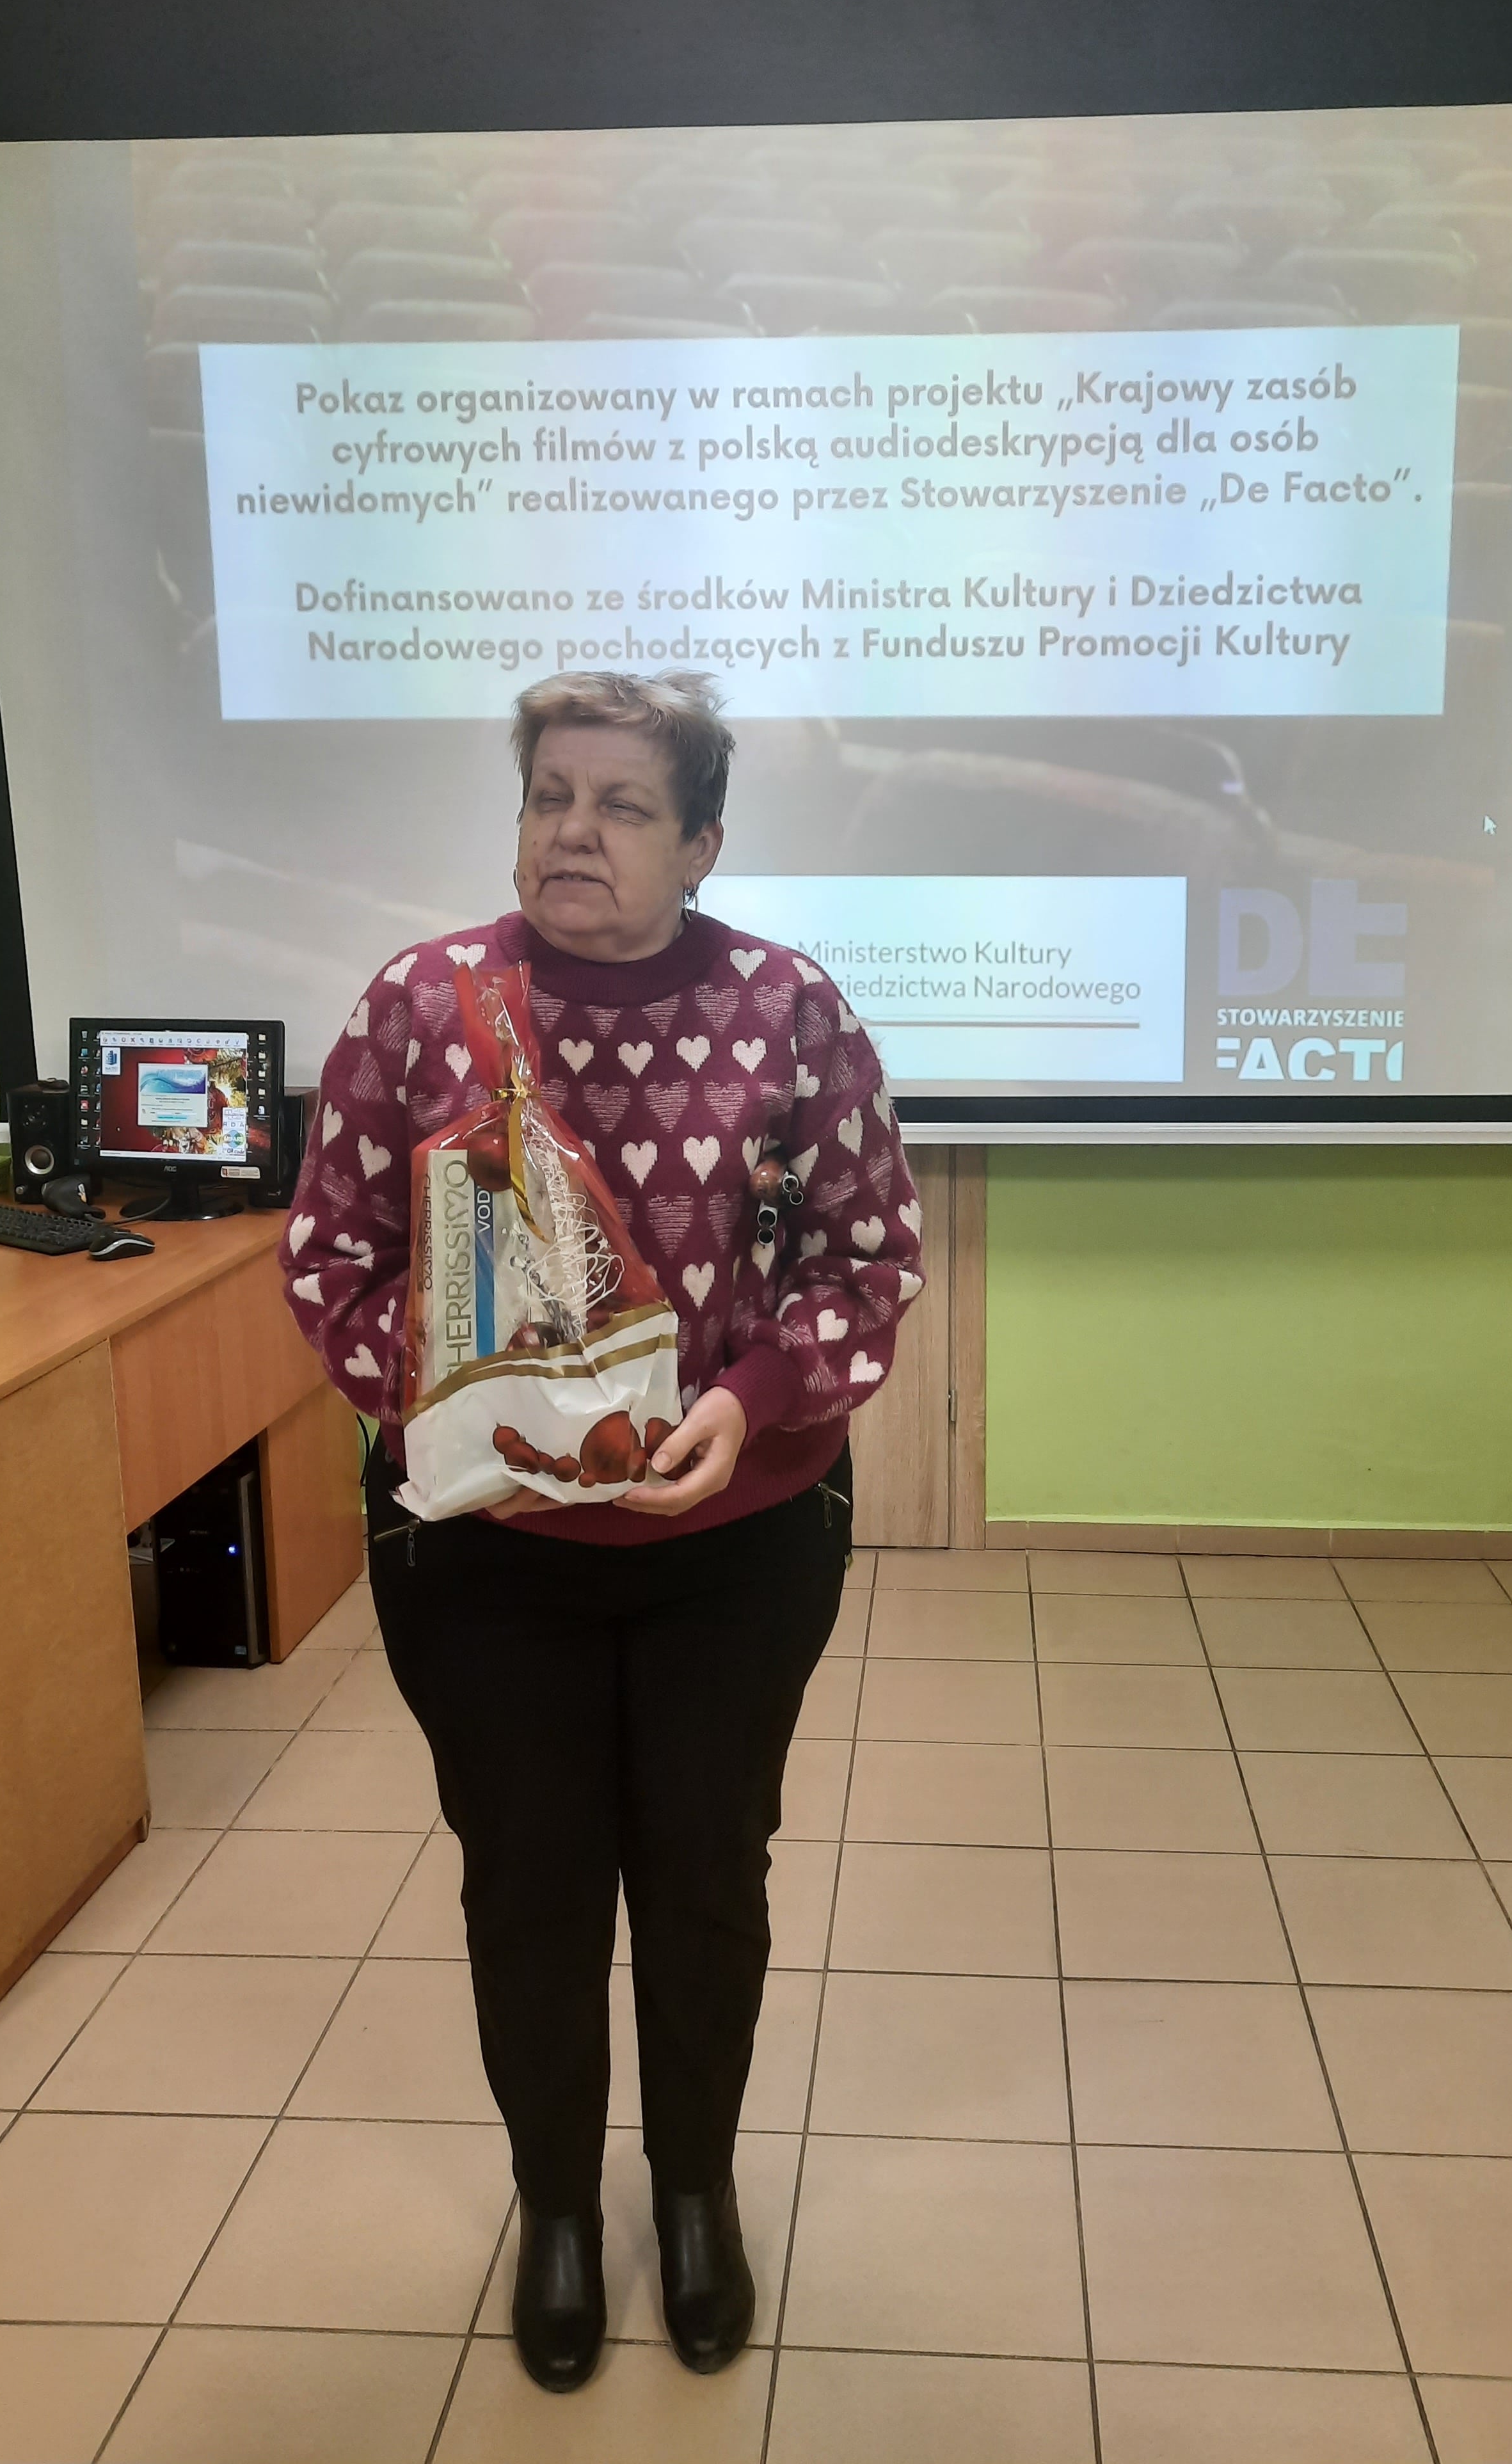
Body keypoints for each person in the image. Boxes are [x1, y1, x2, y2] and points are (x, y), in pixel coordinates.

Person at [280, 671, 923, 2392]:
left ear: (703, 841)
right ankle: (557, 2207)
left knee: (706, 1877)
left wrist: (754, 1400)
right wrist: (457, 1417)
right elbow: (331, 1258)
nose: (575, 830)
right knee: (531, 1884)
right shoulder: (421, 1008)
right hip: (483, 1551)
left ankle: (695, 2192)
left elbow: (868, 1257)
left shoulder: (788, 1010)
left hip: (739, 1536)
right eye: (551, 796)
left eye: (625, 804)